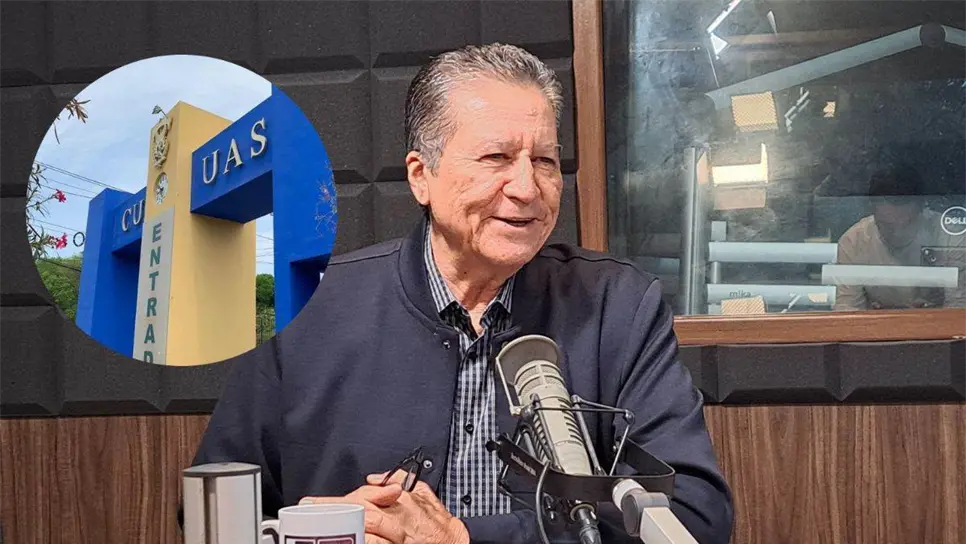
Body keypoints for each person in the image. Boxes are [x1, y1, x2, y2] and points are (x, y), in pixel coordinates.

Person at [191, 43, 733, 543]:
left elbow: (696, 515)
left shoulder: (618, 307)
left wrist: (465, 538)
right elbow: (219, 515)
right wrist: (327, 529)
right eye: (496, 158)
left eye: (544, 161)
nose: (527, 188)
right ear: (420, 176)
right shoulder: (305, 308)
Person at [834, 164, 966, 310]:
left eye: (907, 225)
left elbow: (959, 307)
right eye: (887, 226)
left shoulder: (949, 237)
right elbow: (848, 310)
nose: (898, 234)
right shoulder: (853, 242)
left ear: (922, 209)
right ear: (872, 211)